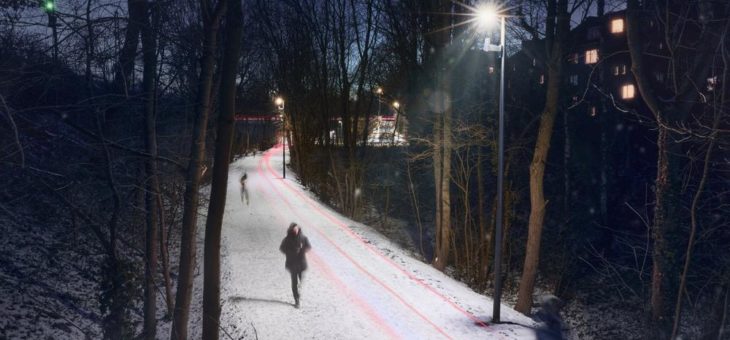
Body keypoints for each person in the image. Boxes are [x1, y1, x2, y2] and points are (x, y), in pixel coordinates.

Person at [279, 222, 311, 308]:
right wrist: (290, 252)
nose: (296, 231)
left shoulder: (303, 238)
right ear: (291, 230)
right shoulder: (287, 239)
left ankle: (299, 291)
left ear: (298, 229)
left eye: (296, 229)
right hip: (292, 263)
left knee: (300, 280)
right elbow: (282, 248)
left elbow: (308, 246)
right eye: (294, 230)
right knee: (294, 282)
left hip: (300, 263)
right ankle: (296, 300)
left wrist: (302, 250)